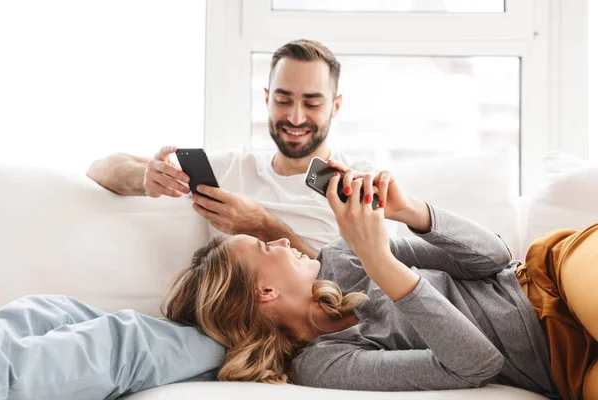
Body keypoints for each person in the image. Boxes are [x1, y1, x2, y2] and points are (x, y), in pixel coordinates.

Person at [161, 160, 597, 400]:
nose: (278, 243)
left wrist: (410, 212)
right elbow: (477, 365)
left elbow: (494, 257)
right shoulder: (321, 365)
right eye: (263, 248)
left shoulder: (342, 255)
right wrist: (381, 262)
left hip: (545, 279)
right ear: (265, 293)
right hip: (560, 367)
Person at [86, 39, 377, 259]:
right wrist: (146, 179)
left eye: (312, 103)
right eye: (283, 100)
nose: (295, 117)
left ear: (336, 106)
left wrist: (262, 225)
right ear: (266, 99)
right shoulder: (232, 168)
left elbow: (361, 291)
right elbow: (101, 167)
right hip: (210, 327)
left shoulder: (359, 183)